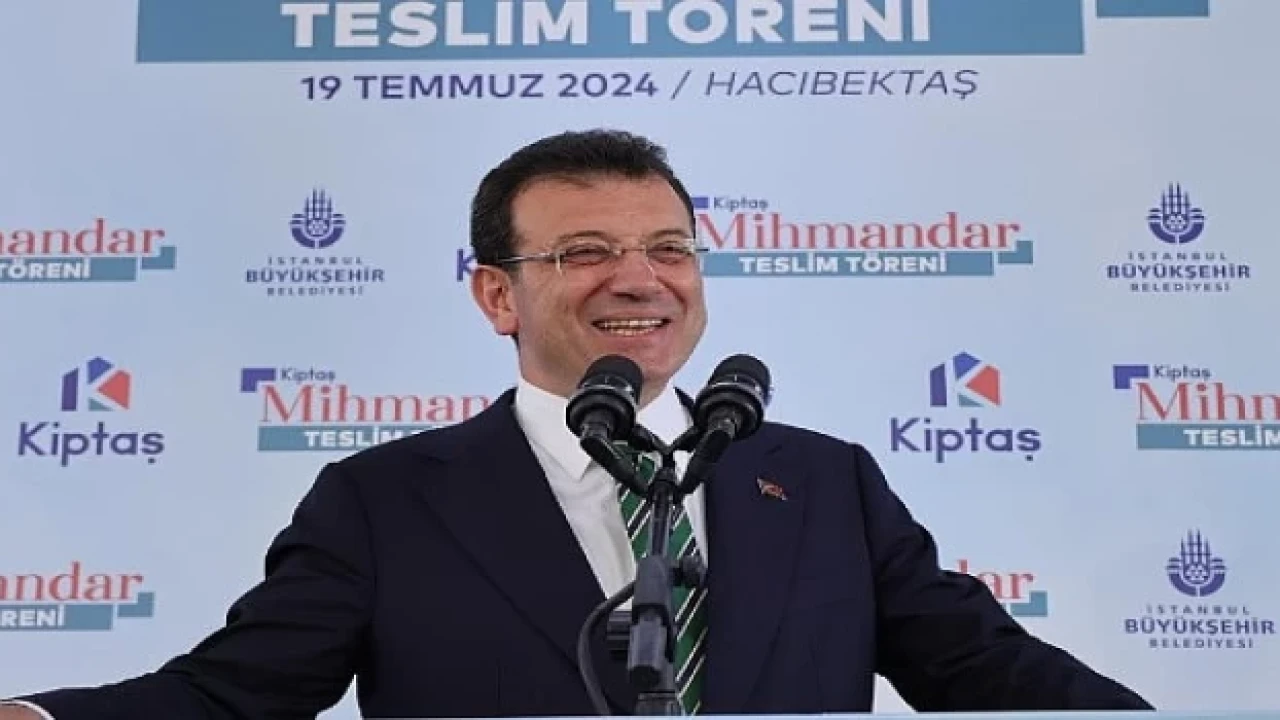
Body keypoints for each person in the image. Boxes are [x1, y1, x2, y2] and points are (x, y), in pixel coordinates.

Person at [1, 129, 1152, 719]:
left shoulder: (822, 482)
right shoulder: (384, 501)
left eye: (667, 249)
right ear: (496, 295)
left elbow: (985, 671)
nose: (638, 278)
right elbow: (233, 697)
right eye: (584, 252)